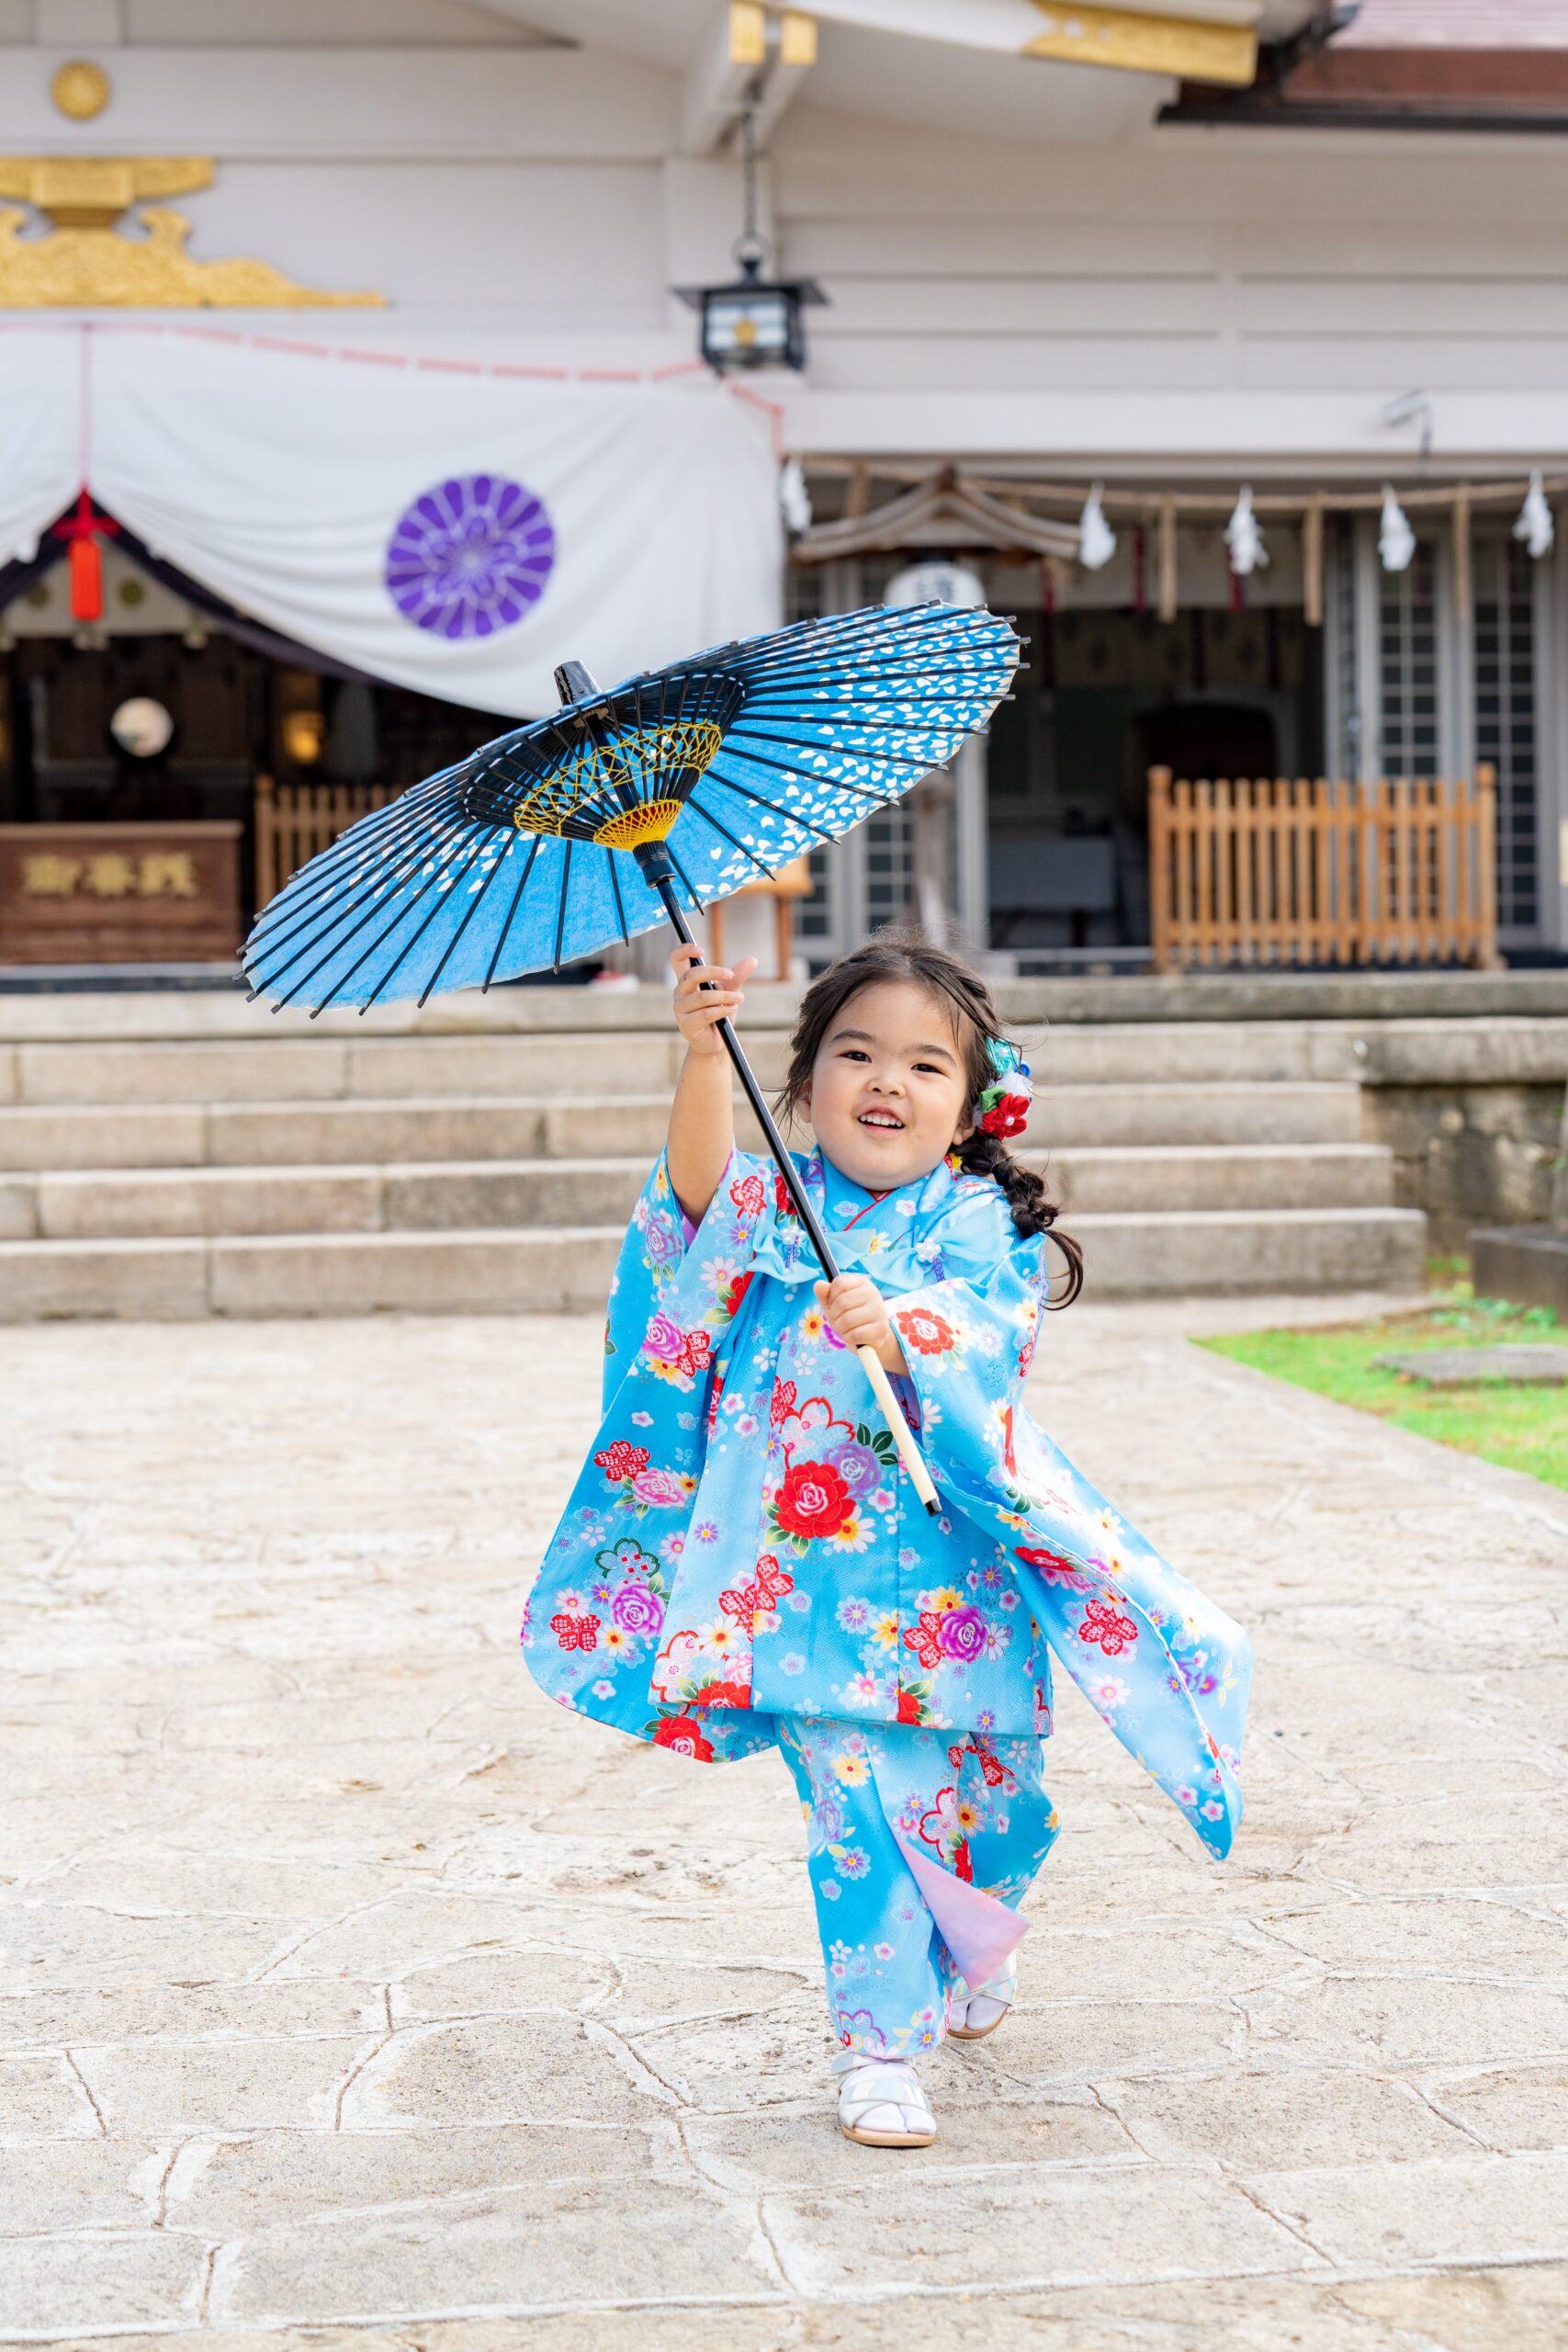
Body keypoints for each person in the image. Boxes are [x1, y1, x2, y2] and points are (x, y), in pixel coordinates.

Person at [523, 933, 1251, 2149]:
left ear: (968, 1107)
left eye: (924, 1064)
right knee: (856, 1802)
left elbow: (990, 1332)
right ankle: (878, 2043)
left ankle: (975, 1934)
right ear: (801, 1085)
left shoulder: (973, 1222)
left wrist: (903, 1321)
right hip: (798, 1584)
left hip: (950, 1576)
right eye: (854, 1053)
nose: (885, 1081)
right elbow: (693, 1201)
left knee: (990, 1807)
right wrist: (702, 1051)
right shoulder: (772, 1207)